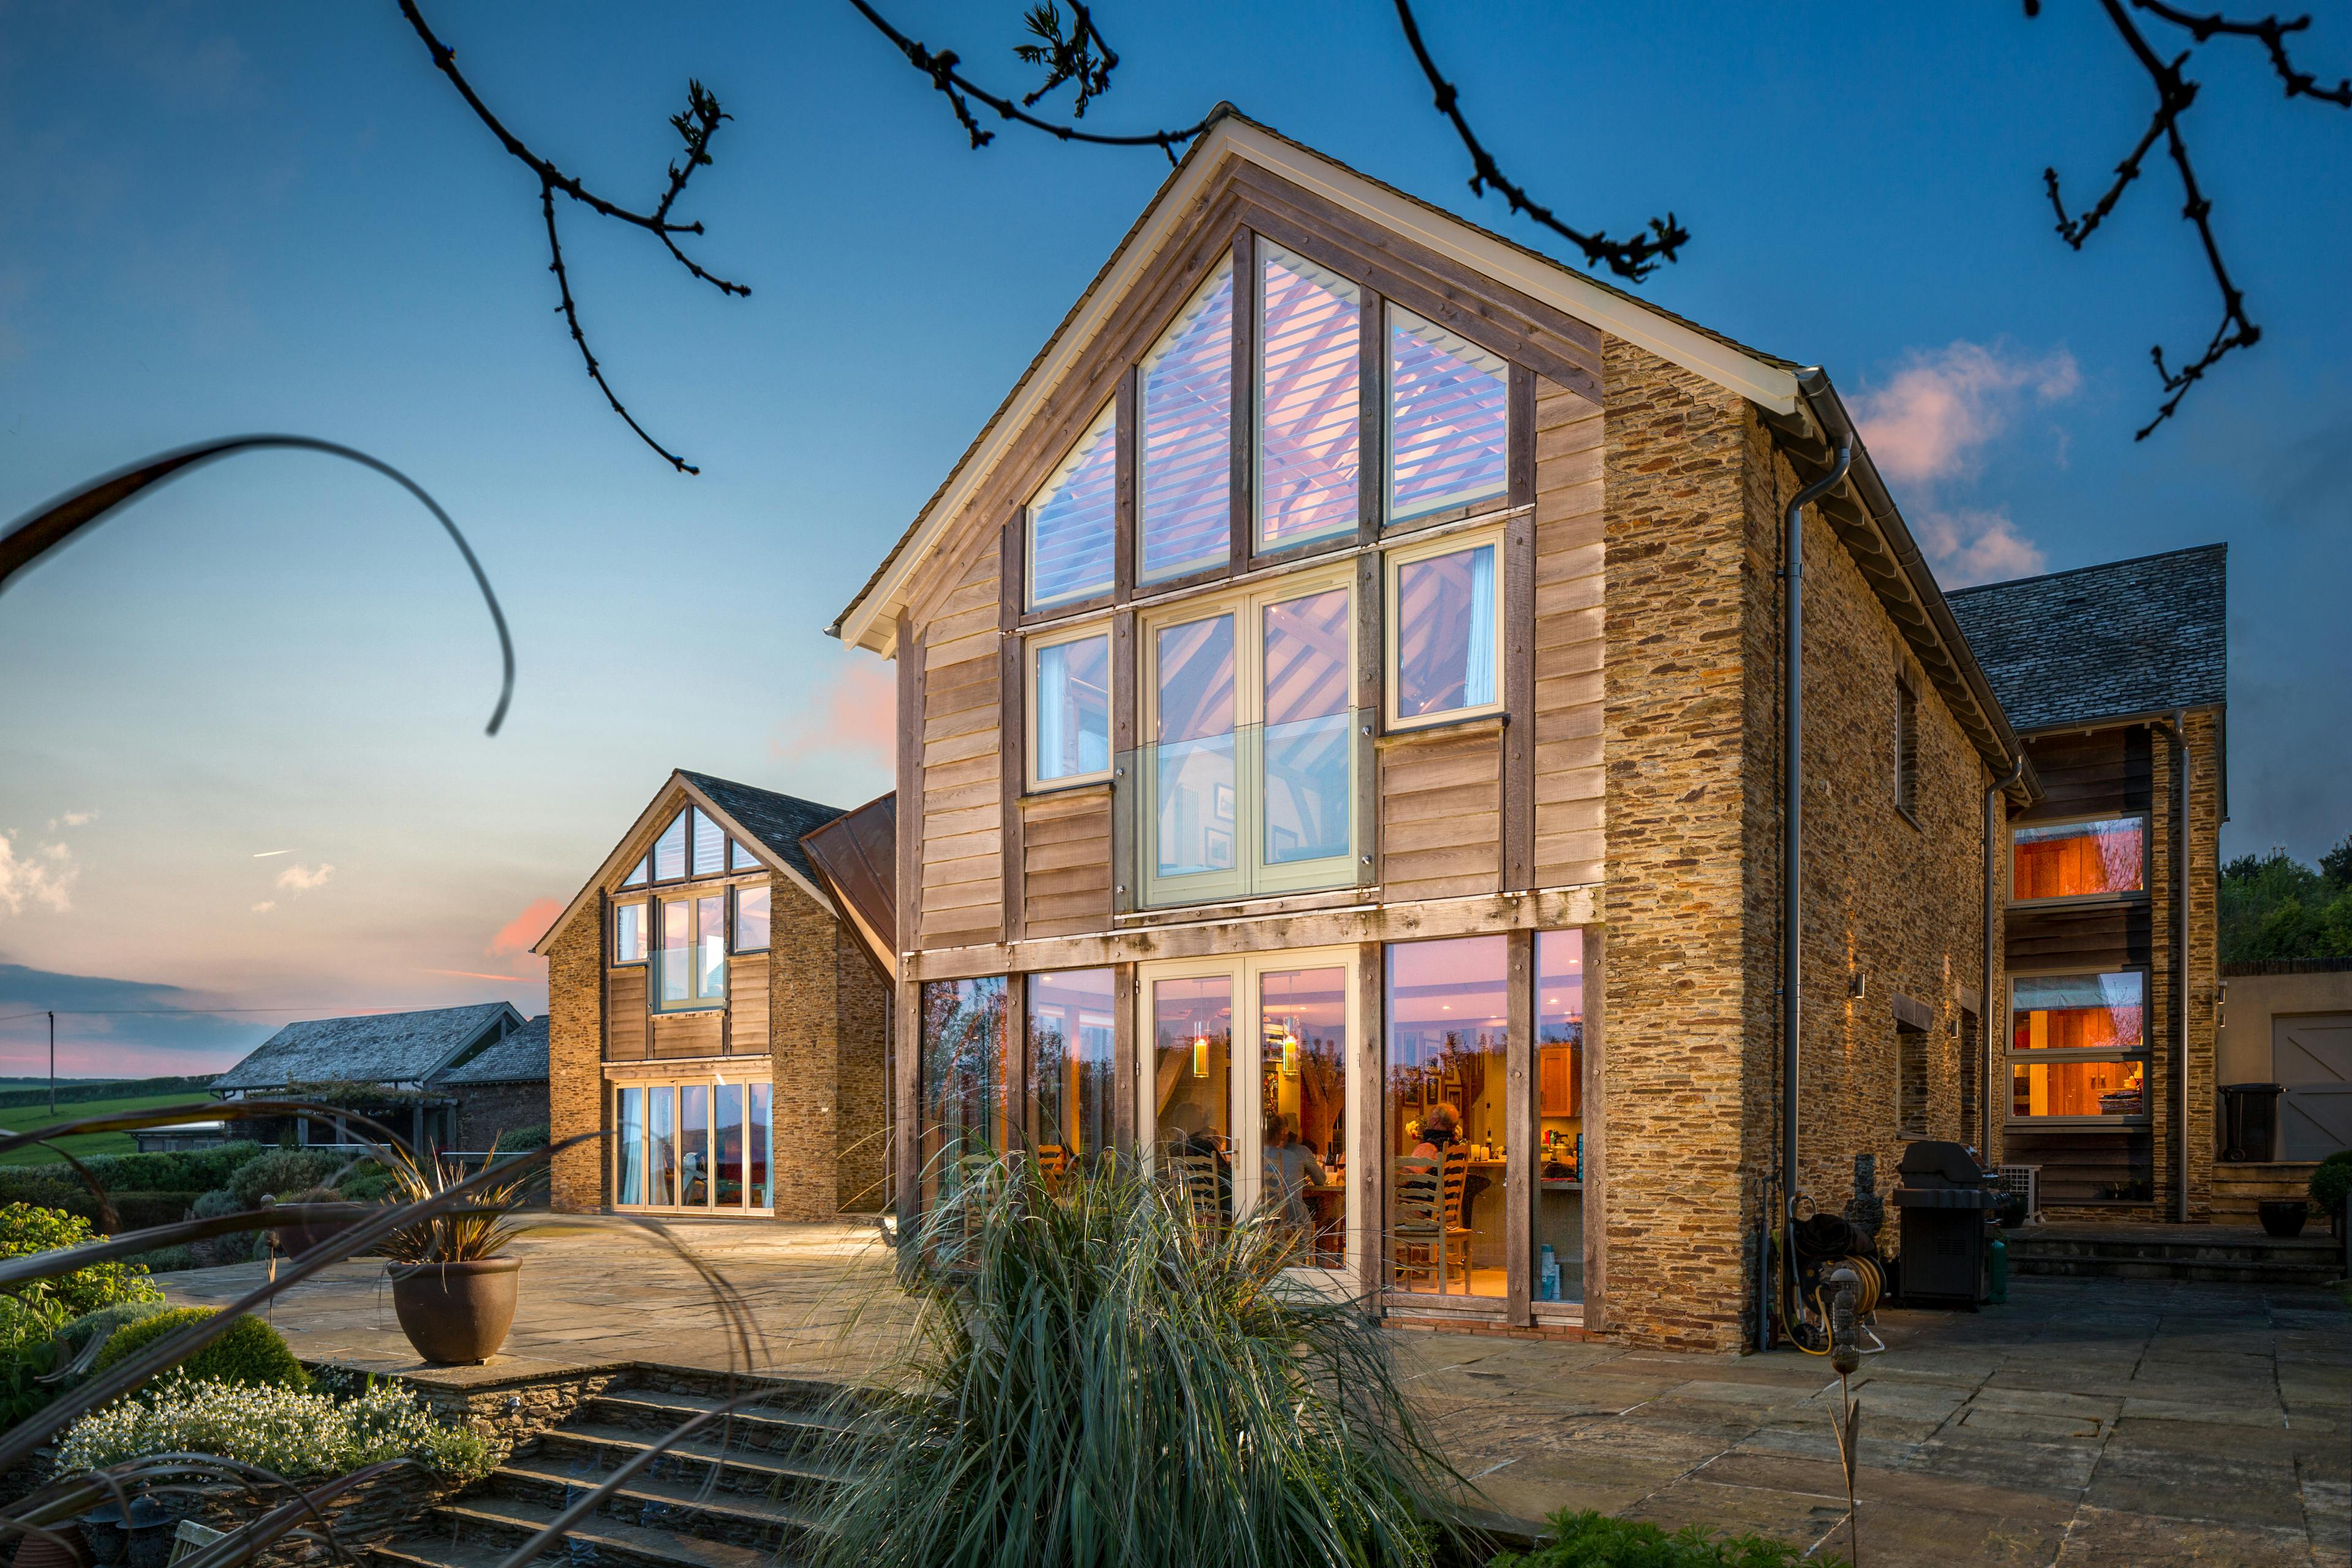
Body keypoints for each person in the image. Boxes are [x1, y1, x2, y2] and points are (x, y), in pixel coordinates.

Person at [1262, 1113, 1327, 1228]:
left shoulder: (1254, 1158)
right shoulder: (1296, 1155)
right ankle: (1308, 1246)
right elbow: (1320, 1180)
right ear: (1285, 1131)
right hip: (1294, 1219)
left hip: (1263, 1216)